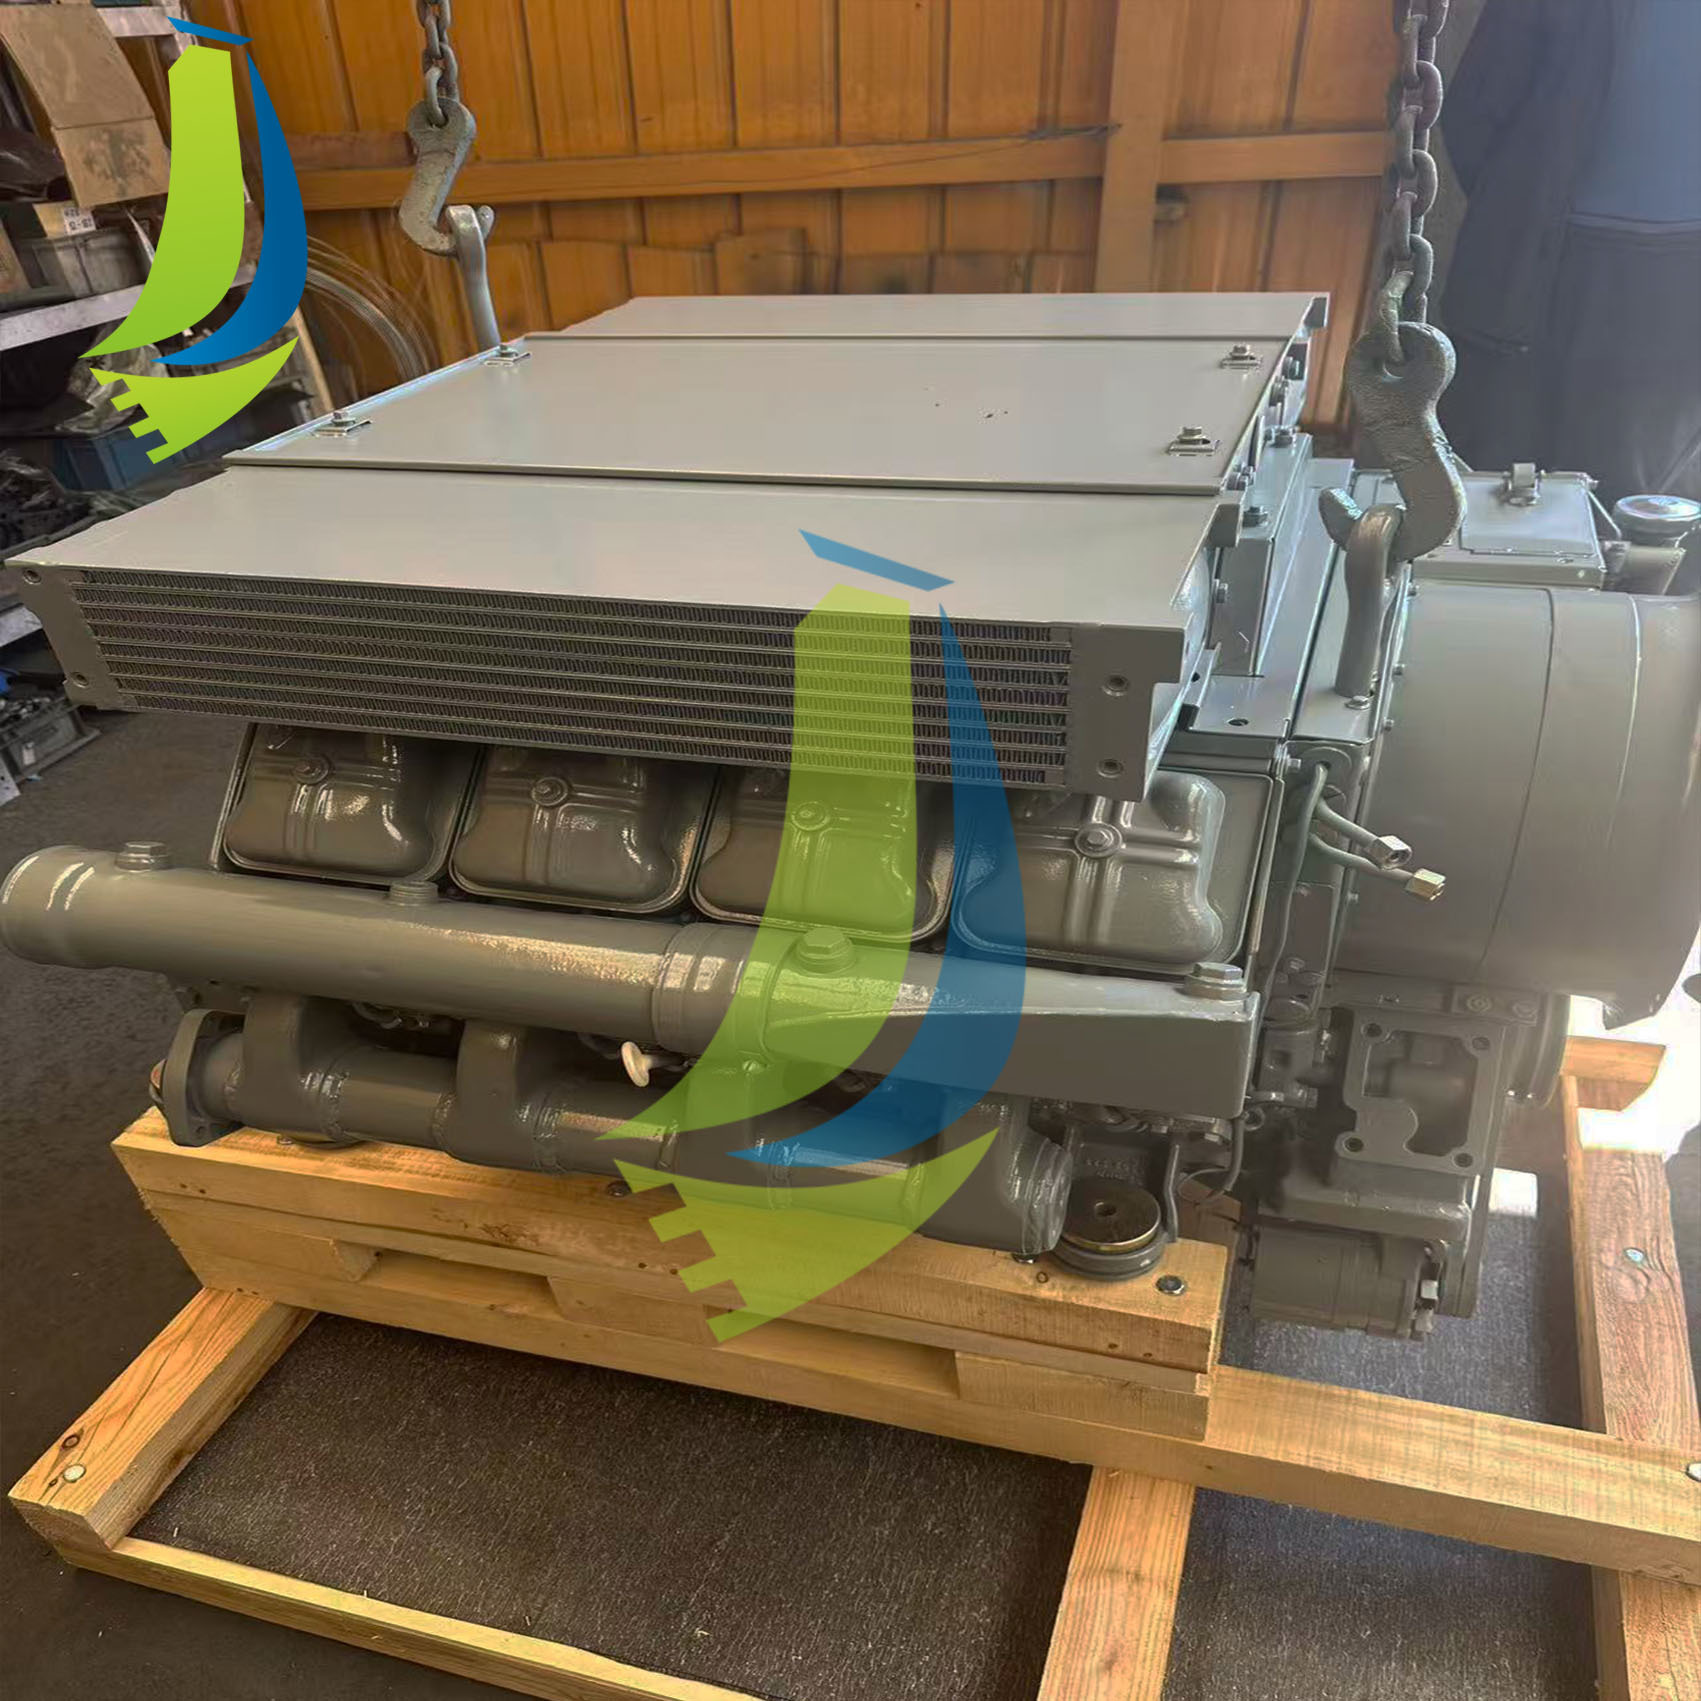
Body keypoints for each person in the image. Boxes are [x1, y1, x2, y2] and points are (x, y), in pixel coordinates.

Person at [1439, 0, 1701, 504]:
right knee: (1635, 497)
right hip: (1569, 260)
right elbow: (1477, 111)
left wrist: (1519, 205)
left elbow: (1478, 109)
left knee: (1493, 483)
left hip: (1549, 255)